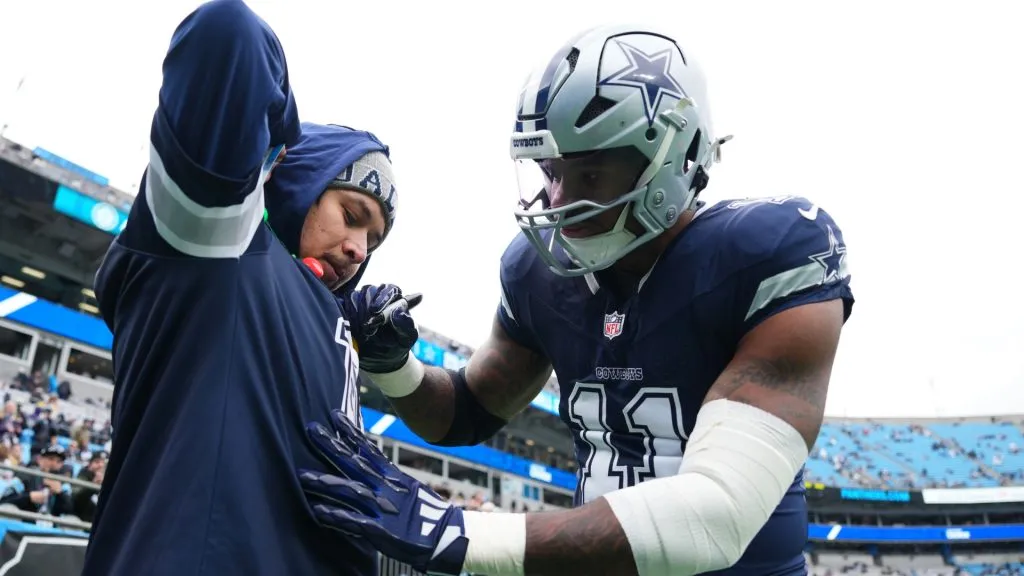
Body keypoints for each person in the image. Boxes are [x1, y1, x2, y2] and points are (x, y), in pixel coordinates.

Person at [299, 24, 854, 576]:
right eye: (551, 171)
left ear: (672, 156)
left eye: (589, 171)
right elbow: (464, 414)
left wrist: (455, 530)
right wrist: (394, 366)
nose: (560, 200)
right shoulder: (535, 272)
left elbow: (718, 514)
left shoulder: (773, 250)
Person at [82, 1, 400, 575]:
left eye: (373, 241)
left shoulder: (329, 323)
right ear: (292, 181)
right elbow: (229, 33)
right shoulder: (223, 244)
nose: (359, 249)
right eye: (351, 214)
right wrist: (280, 146)